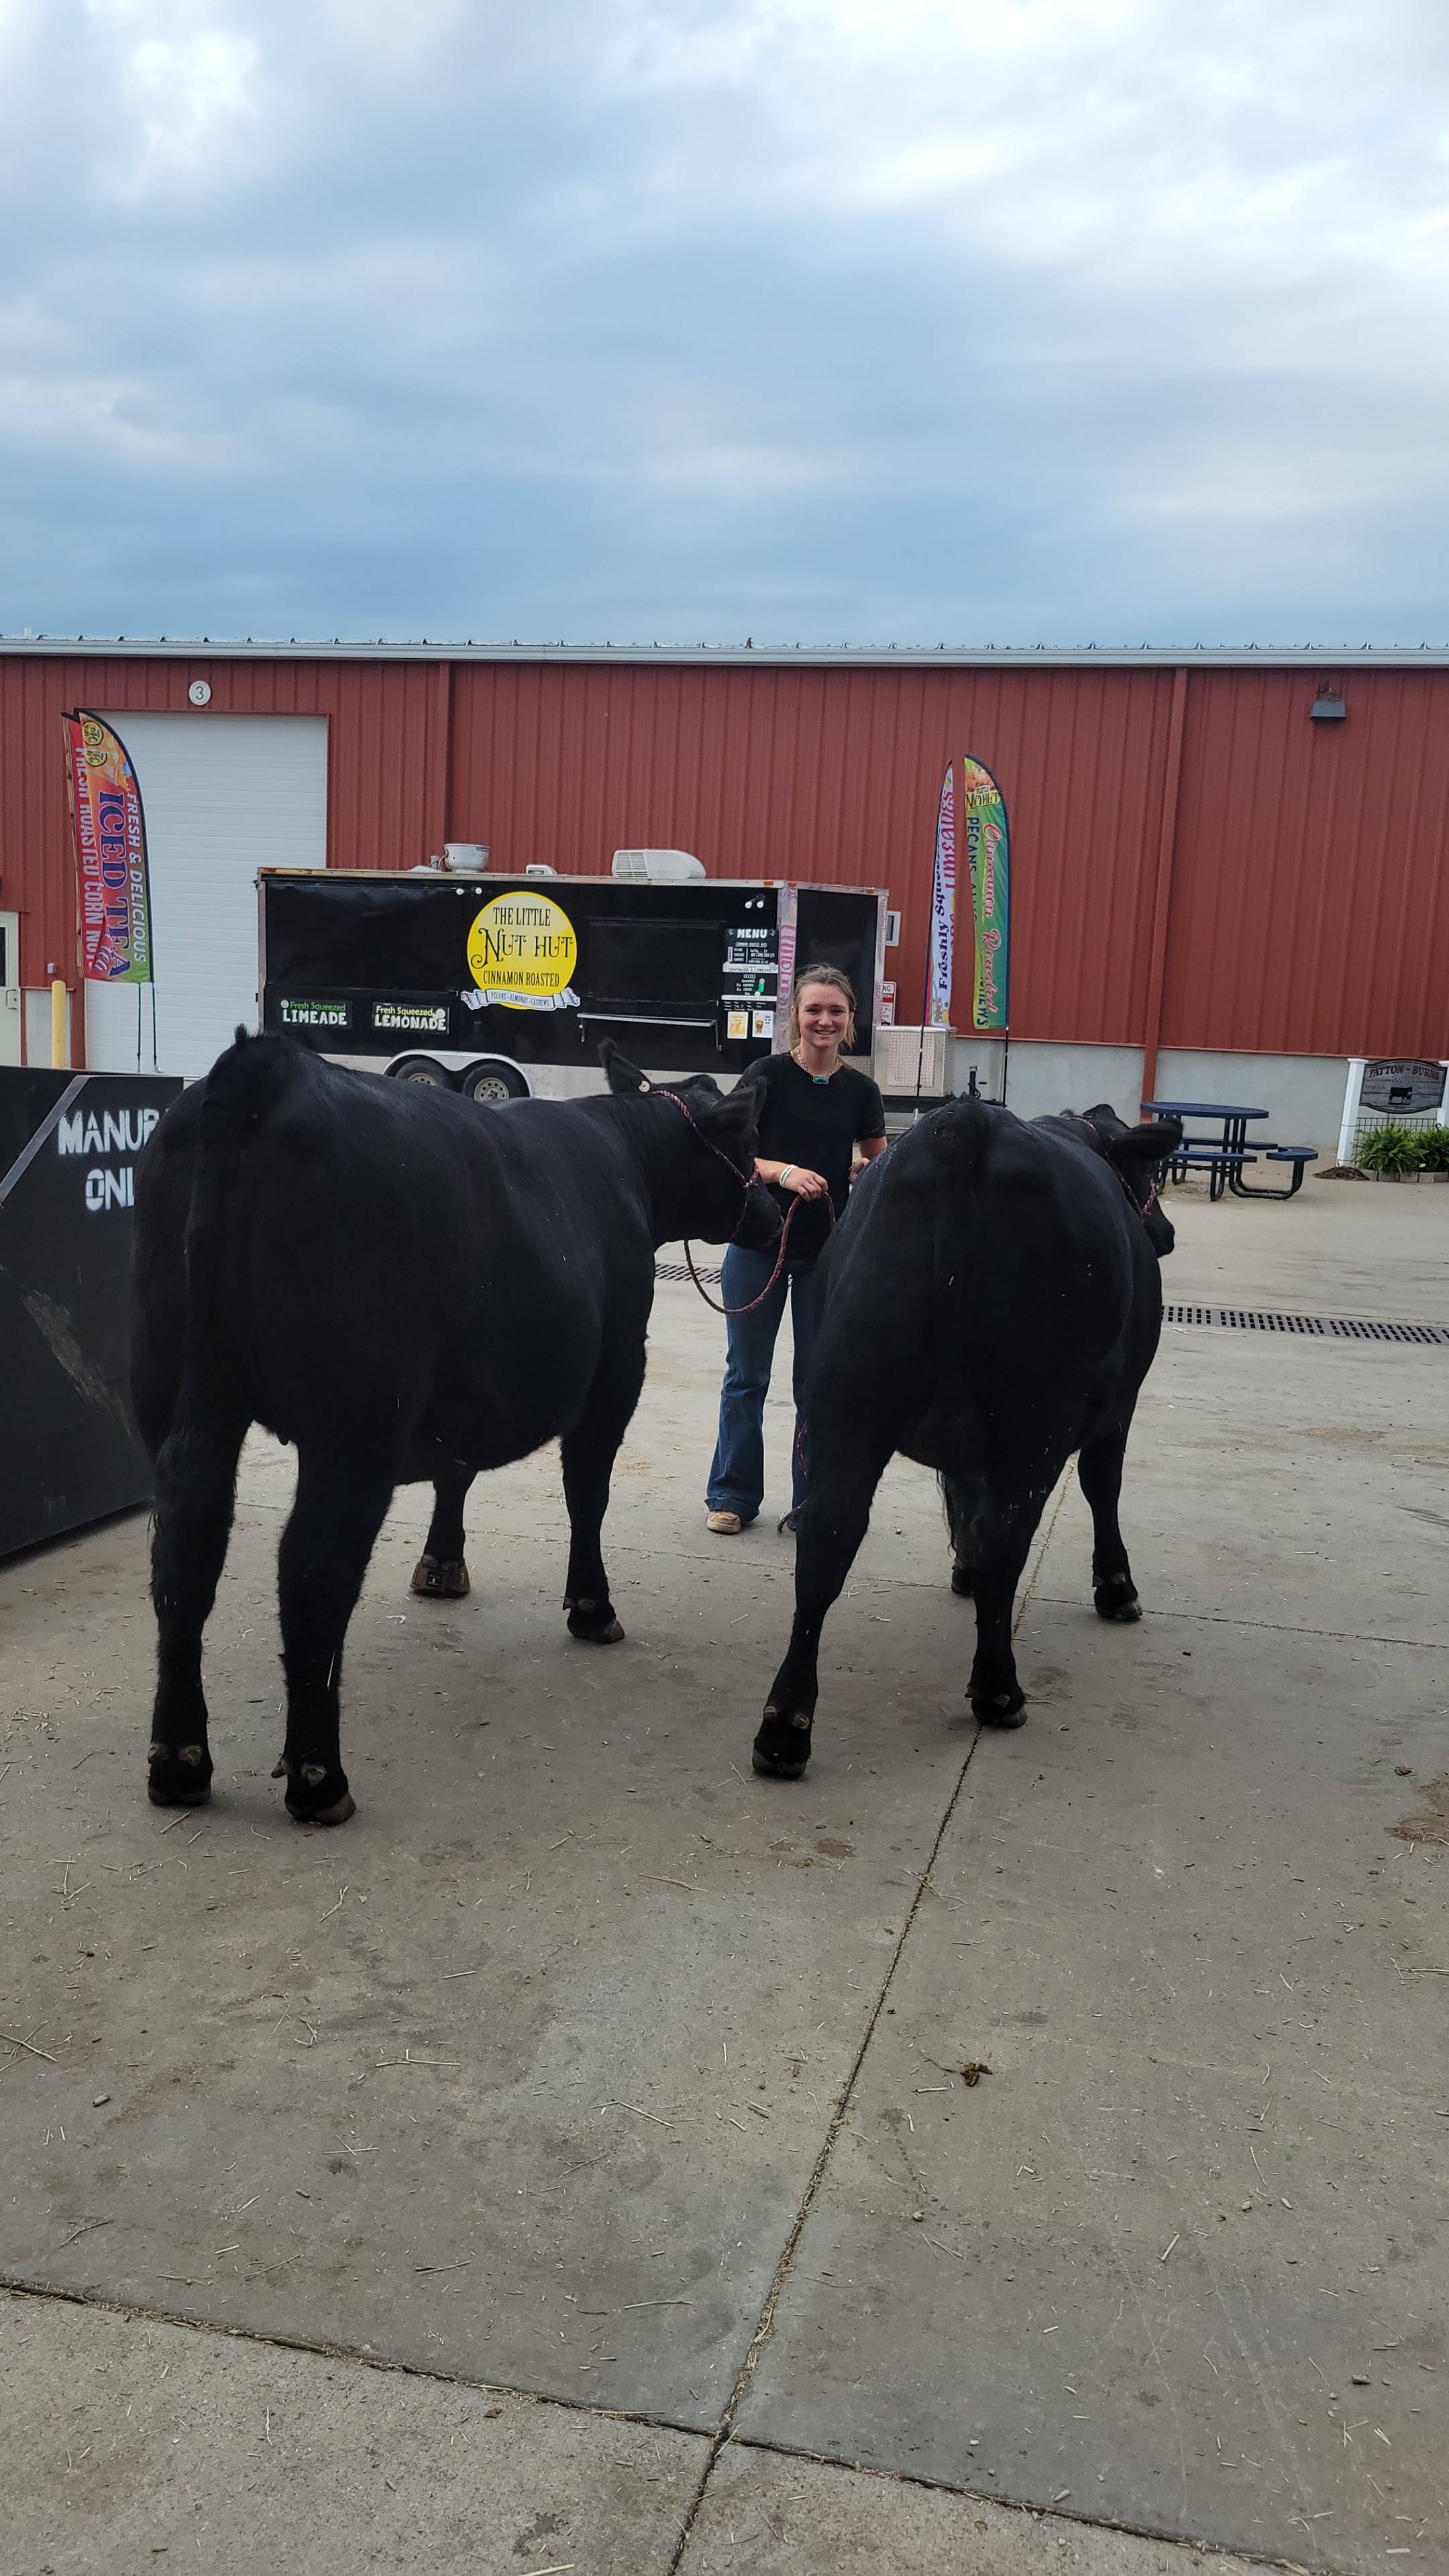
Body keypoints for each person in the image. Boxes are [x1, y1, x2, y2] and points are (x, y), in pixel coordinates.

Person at [705, 964, 887, 1535]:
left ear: (850, 1020)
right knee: (746, 1376)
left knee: (818, 1381)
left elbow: (879, 1160)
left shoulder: (861, 1091)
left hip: (827, 1254)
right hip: (758, 1246)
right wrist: (782, 1172)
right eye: (814, 1010)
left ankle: (812, 1502)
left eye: (836, 1011)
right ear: (796, 1017)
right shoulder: (766, 1075)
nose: (824, 1020)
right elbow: (729, 1149)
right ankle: (732, 1495)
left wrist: (864, 1170)